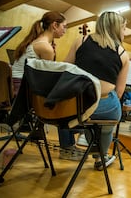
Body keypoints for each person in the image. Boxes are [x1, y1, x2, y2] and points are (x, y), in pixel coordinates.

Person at [11, 11, 83, 161]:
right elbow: (48, 80)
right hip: (22, 94)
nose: (65, 30)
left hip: (17, 89)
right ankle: (67, 147)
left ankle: (68, 145)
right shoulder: (45, 47)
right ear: (54, 25)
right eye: (64, 26)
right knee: (64, 99)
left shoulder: (36, 42)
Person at [64, 11, 130, 170]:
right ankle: (102, 156)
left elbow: (65, 71)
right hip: (103, 107)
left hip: (77, 103)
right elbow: (120, 93)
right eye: (124, 28)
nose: (125, 32)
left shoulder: (80, 40)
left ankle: (86, 137)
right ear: (116, 28)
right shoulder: (122, 54)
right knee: (111, 114)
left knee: (89, 114)